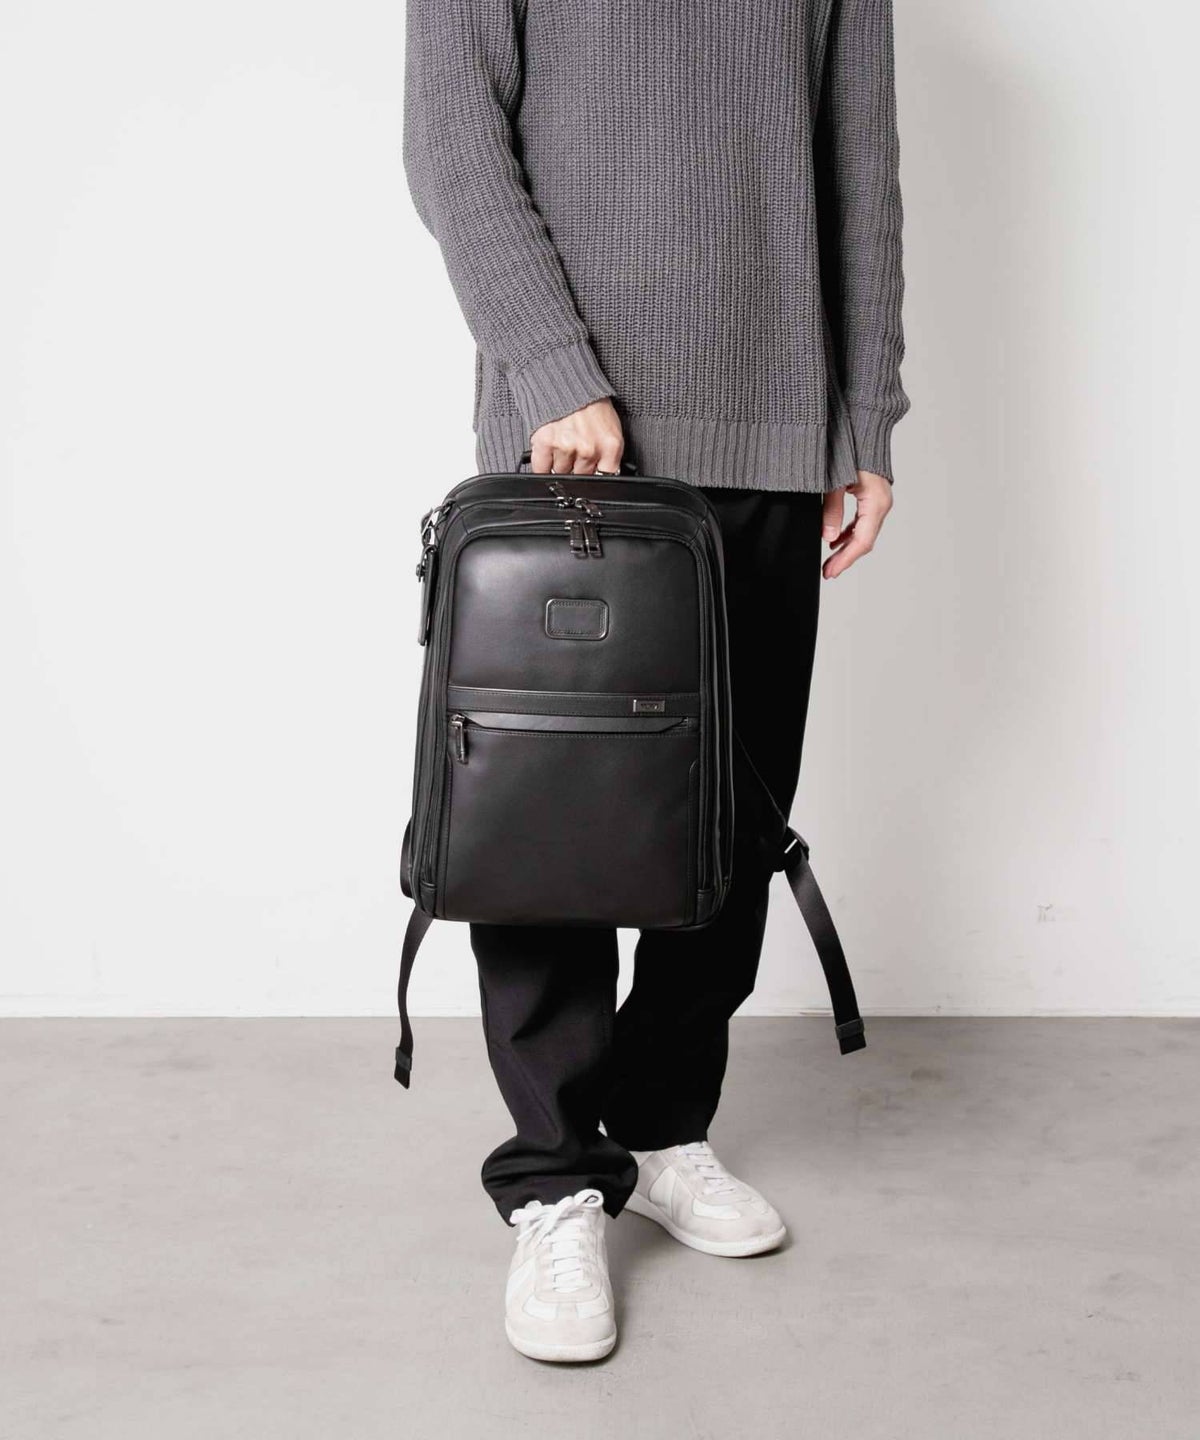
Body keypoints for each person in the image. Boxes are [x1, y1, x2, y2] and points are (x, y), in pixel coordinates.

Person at [403, 0, 908, 1363]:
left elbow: (858, 160)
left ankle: (667, 1122)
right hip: (571, 437)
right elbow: (452, 139)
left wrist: (864, 417)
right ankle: (554, 1178)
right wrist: (551, 368)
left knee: (729, 815)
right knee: (547, 818)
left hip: (775, 427)